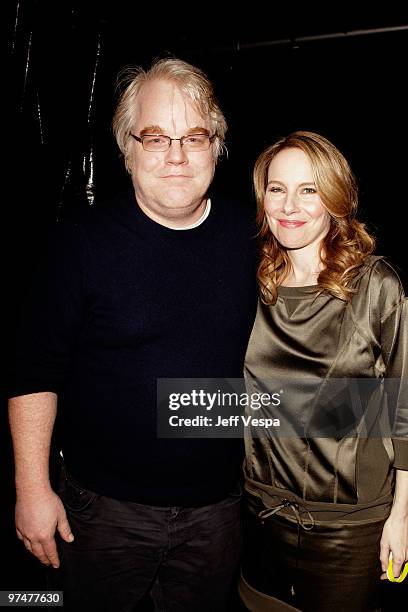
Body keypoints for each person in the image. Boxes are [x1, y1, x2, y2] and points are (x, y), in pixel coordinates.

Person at [8, 57, 257, 611]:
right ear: (126, 148)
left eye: (193, 136)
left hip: (218, 513)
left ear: (217, 145)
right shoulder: (81, 244)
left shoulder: (254, 237)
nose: (175, 155)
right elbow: (34, 369)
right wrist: (31, 489)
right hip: (102, 514)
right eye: (155, 136)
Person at [239, 131, 408, 611]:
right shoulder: (251, 281)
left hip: (347, 527)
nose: (290, 205)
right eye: (277, 188)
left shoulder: (376, 286)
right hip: (261, 511)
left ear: (335, 199)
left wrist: (403, 517)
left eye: (308, 189)